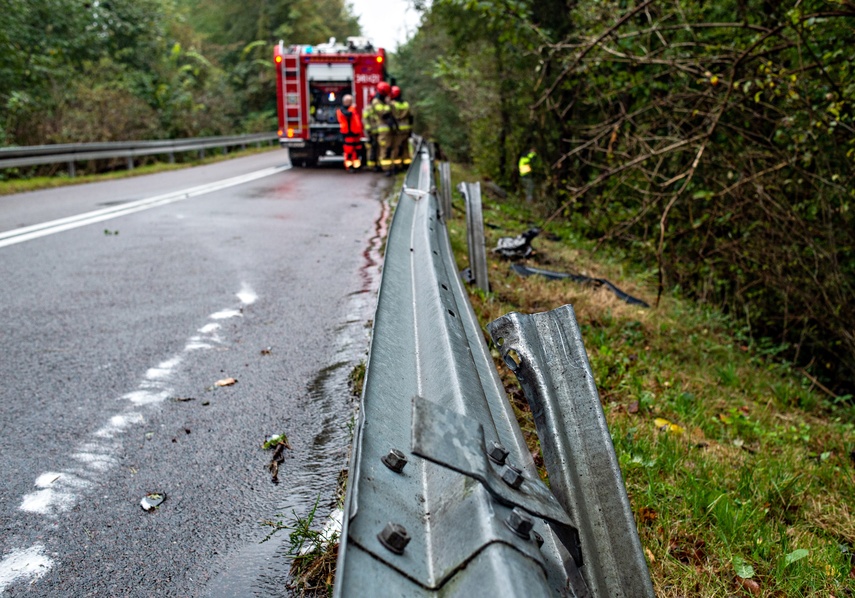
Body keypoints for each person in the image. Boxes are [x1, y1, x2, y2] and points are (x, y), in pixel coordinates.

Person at [372, 81, 397, 176]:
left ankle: (390, 167)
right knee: (385, 149)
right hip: (383, 130)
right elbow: (383, 113)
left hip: (389, 129)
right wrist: (389, 104)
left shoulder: (382, 101)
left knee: (390, 148)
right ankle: (386, 169)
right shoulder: (376, 102)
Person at [336, 94, 363, 171]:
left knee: (357, 150)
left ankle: (356, 166)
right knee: (349, 151)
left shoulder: (351, 109)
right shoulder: (342, 110)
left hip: (355, 134)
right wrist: (352, 108)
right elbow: (348, 115)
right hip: (348, 134)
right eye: (350, 101)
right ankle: (349, 166)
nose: (351, 103)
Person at [390, 86, 413, 167]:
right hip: (406, 129)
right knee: (405, 147)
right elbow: (410, 117)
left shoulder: (392, 104)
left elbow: (391, 116)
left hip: (397, 129)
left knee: (396, 148)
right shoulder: (406, 104)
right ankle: (406, 164)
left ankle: (396, 166)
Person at [362, 93, 379, 171]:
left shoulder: (375, 107)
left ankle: (376, 164)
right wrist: (369, 131)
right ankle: (371, 165)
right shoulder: (368, 108)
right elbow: (365, 120)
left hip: (377, 131)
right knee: (371, 148)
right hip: (371, 132)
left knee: (377, 148)